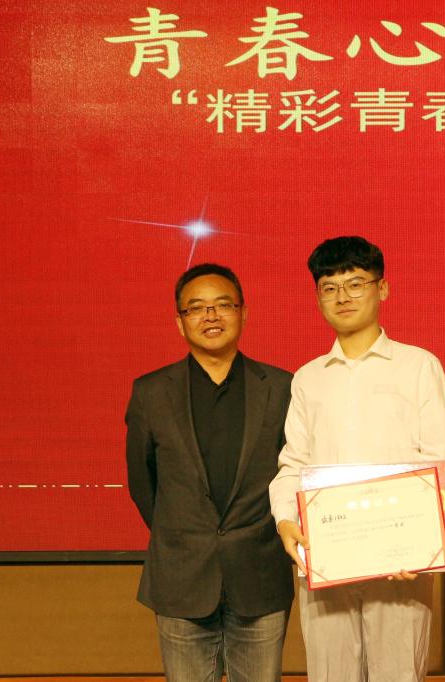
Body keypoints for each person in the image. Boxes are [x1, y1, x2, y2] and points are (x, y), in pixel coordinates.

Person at [269, 236, 445, 682]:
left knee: (398, 674)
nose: (343, 297)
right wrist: (285, 519)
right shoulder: (308, 378)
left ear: (382, 288)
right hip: (325, 553)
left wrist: (420, 545)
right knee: (329, 674)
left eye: (355, 283)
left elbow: (437, 463)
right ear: (318, 297)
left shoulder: (418, 366)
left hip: (400, 562)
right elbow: (293, 462)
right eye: (329, 288)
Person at [125, 263, 294, 682]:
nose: (211, 316)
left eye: (223, 305)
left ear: (243, 313)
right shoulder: (151, 393)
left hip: (259, 575)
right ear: (179, 322)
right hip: (182, 577)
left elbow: (294, 475)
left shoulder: (282, 388)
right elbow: (143, 485)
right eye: (196, 308)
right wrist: (183, 533)